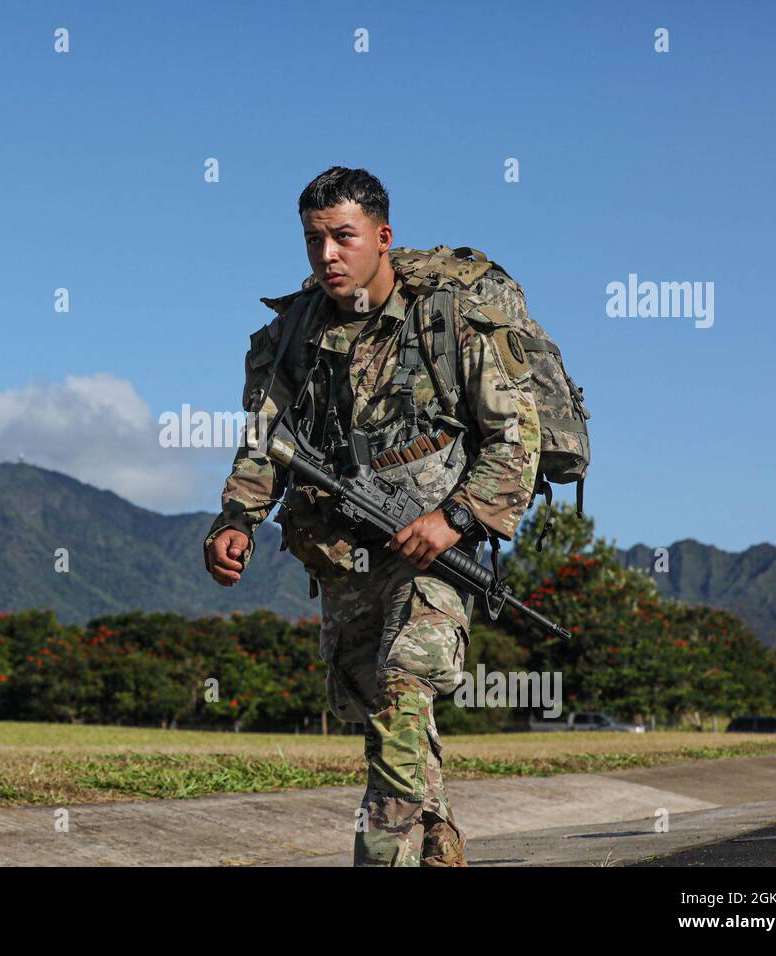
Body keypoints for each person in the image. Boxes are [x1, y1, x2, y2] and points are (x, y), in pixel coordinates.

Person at [203, 166, 541, 866]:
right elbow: (267, 441)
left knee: (400, 691)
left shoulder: (446, 319)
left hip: (436, 549)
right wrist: (236, 519)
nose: (326, 255)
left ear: (382, 238)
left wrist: (454, 520)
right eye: (313, 240)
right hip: (343, 552)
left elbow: (517, 436)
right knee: (378, 709)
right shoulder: (292, 336)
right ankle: (437, 842)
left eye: (343, 237)